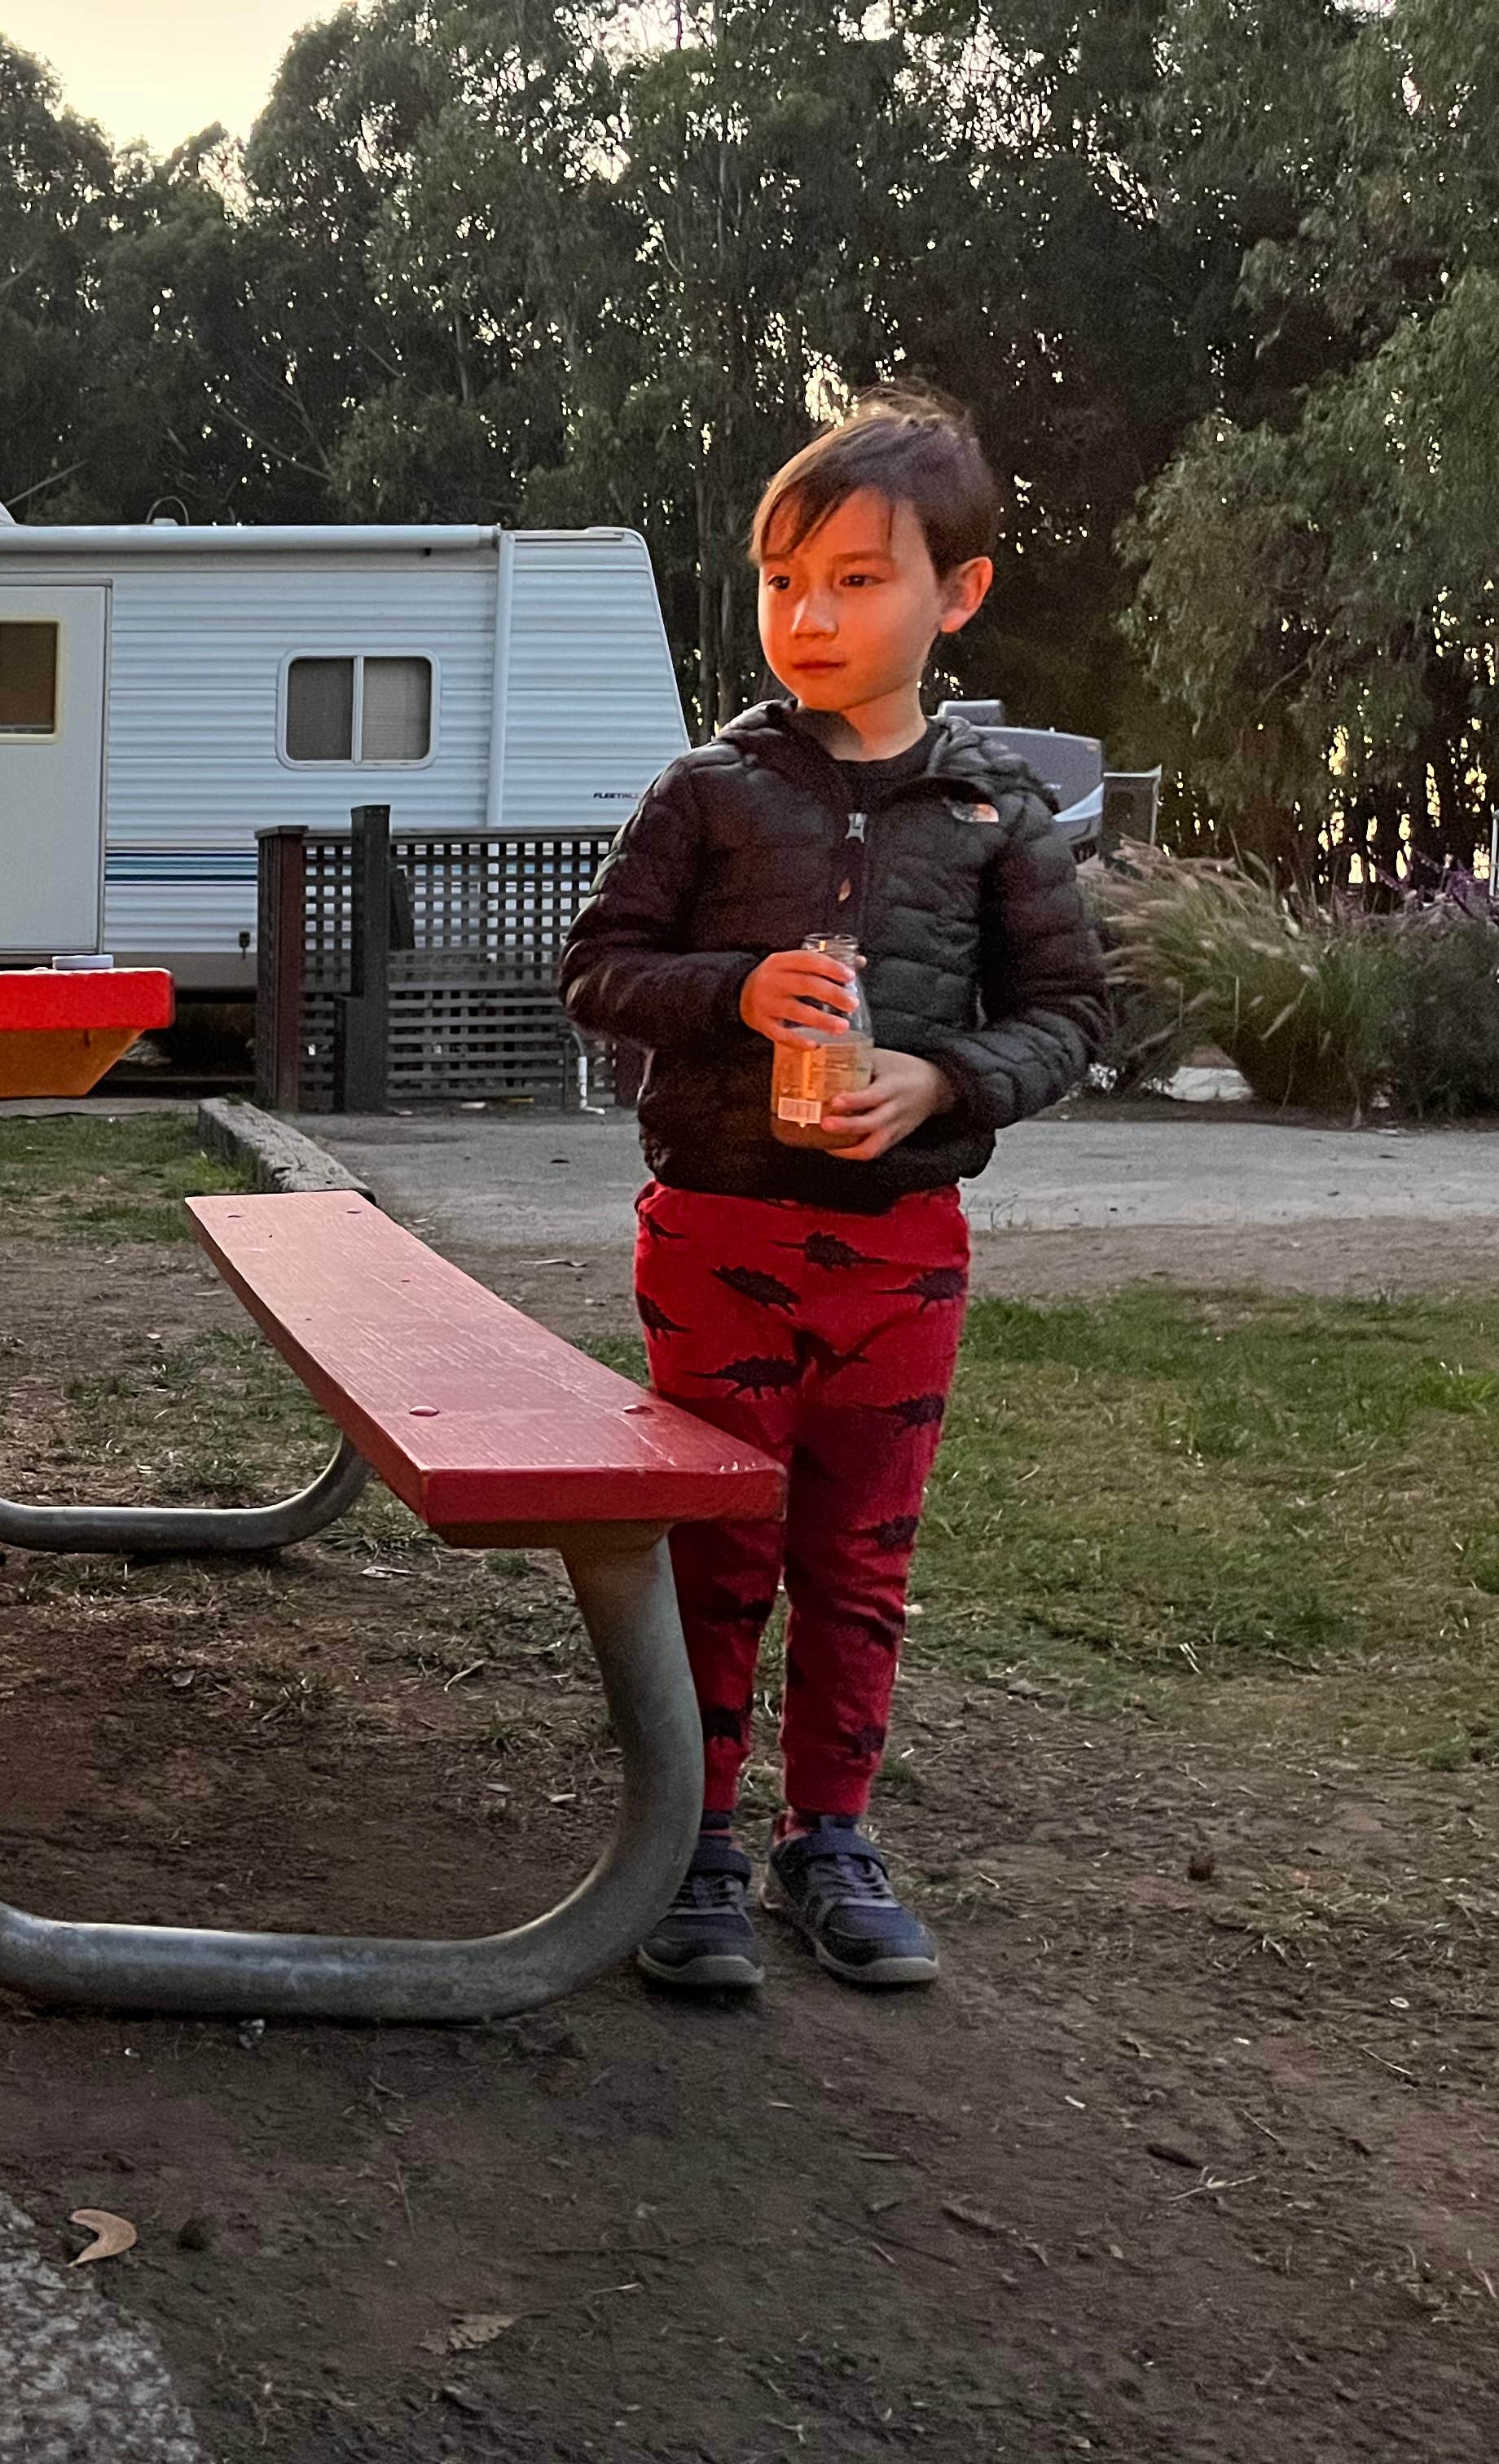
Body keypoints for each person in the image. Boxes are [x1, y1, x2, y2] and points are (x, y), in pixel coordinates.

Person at [559, 385, 1106, 1991]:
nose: (810, 615)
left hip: (902, 1253)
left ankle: (831, 1837)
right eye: (784, 580)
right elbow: (601, 969)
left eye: (858, 580)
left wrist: (943, 1081)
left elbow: (1066, 1014)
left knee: (860, 1550)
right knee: (719, 1548)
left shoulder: (997, 814)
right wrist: (733, 989)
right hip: (716, 1238)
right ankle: (696, 1845)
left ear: (960, 594)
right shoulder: (707, 792)